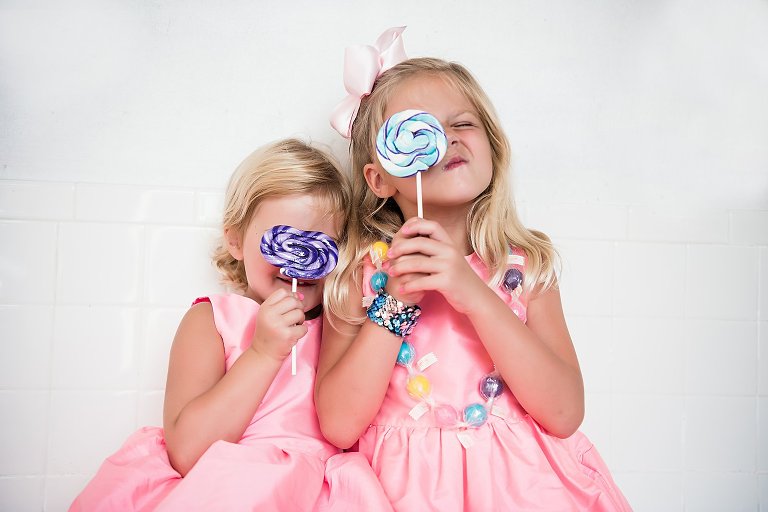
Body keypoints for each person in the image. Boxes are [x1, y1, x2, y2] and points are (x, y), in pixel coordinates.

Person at [316, 28, 632, 511]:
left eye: (463, 123)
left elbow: (565, 412)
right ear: (379, 178)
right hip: (402, 493)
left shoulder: (524, 268)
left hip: (521, 489)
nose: (447, 138)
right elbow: (338, 426)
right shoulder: (356, 277)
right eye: (419, 127)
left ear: (493, 146)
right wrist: (395, 303)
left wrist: (473, 293)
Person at [70, 139, 392, 511]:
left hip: (324, 493)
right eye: (283, 241)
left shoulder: (345, 327)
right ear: (236, 241)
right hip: (229, 489)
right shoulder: (212, 321)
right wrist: (262, 352)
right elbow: (188, 452)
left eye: (321, 244)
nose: (298, 260)